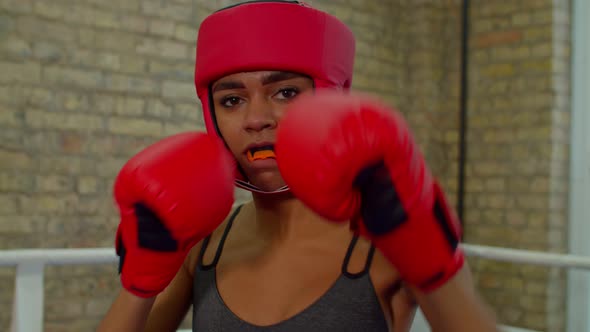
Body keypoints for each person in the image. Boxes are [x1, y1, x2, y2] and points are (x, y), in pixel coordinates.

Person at [98, 1, 498, 331]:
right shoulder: (204, 242)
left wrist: (432, 261)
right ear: (211, 113)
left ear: (329, 98)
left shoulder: (381, 243)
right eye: (232, 100)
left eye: (285, 92)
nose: (256, 119)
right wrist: (140, 282)